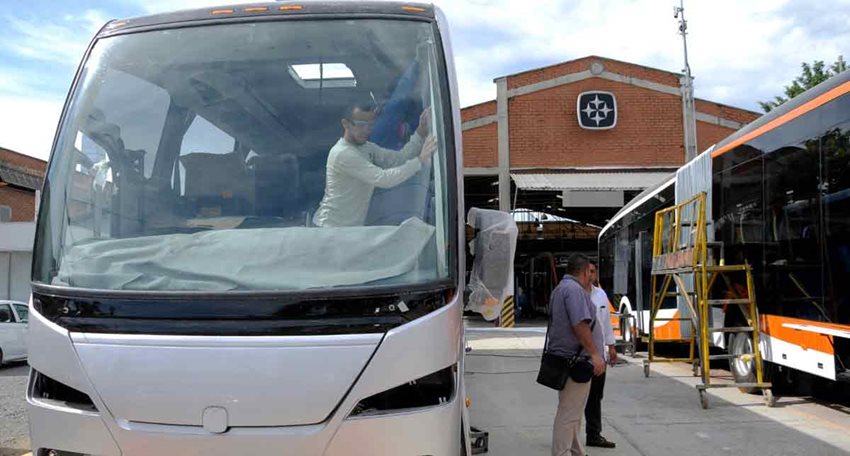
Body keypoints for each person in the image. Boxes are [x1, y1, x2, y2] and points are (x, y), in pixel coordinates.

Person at [313, 102, 437, 227]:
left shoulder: (367, 148)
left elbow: (400, 158)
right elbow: (383, 179)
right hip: (329, 228)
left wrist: (420, 132)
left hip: (347, 229)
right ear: (346, 124)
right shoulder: (342, 153)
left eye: (370, 125)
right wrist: (420, 161)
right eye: (360, 125)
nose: (366, 130)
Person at [547, 253, 606, 456]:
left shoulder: (561, 288)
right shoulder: (574, 291)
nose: (592, 276)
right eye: (590, 271)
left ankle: (576, 451)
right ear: (584, 271)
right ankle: (561, 453)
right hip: (576, 361)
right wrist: (595, 354)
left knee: (573, 412)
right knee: (568, 414)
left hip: (566, 360)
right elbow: (580, 325)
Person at [583, 260, 618, 449]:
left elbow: (606, 323)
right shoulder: (574, 295)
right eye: (588, 271)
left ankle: (593, 435)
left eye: (593, 271)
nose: (591, 275)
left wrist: (611, 347)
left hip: (599, 358)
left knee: (595, 398)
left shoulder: (601, 295)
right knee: (574, 400)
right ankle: (569, 438)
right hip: (579, 357)